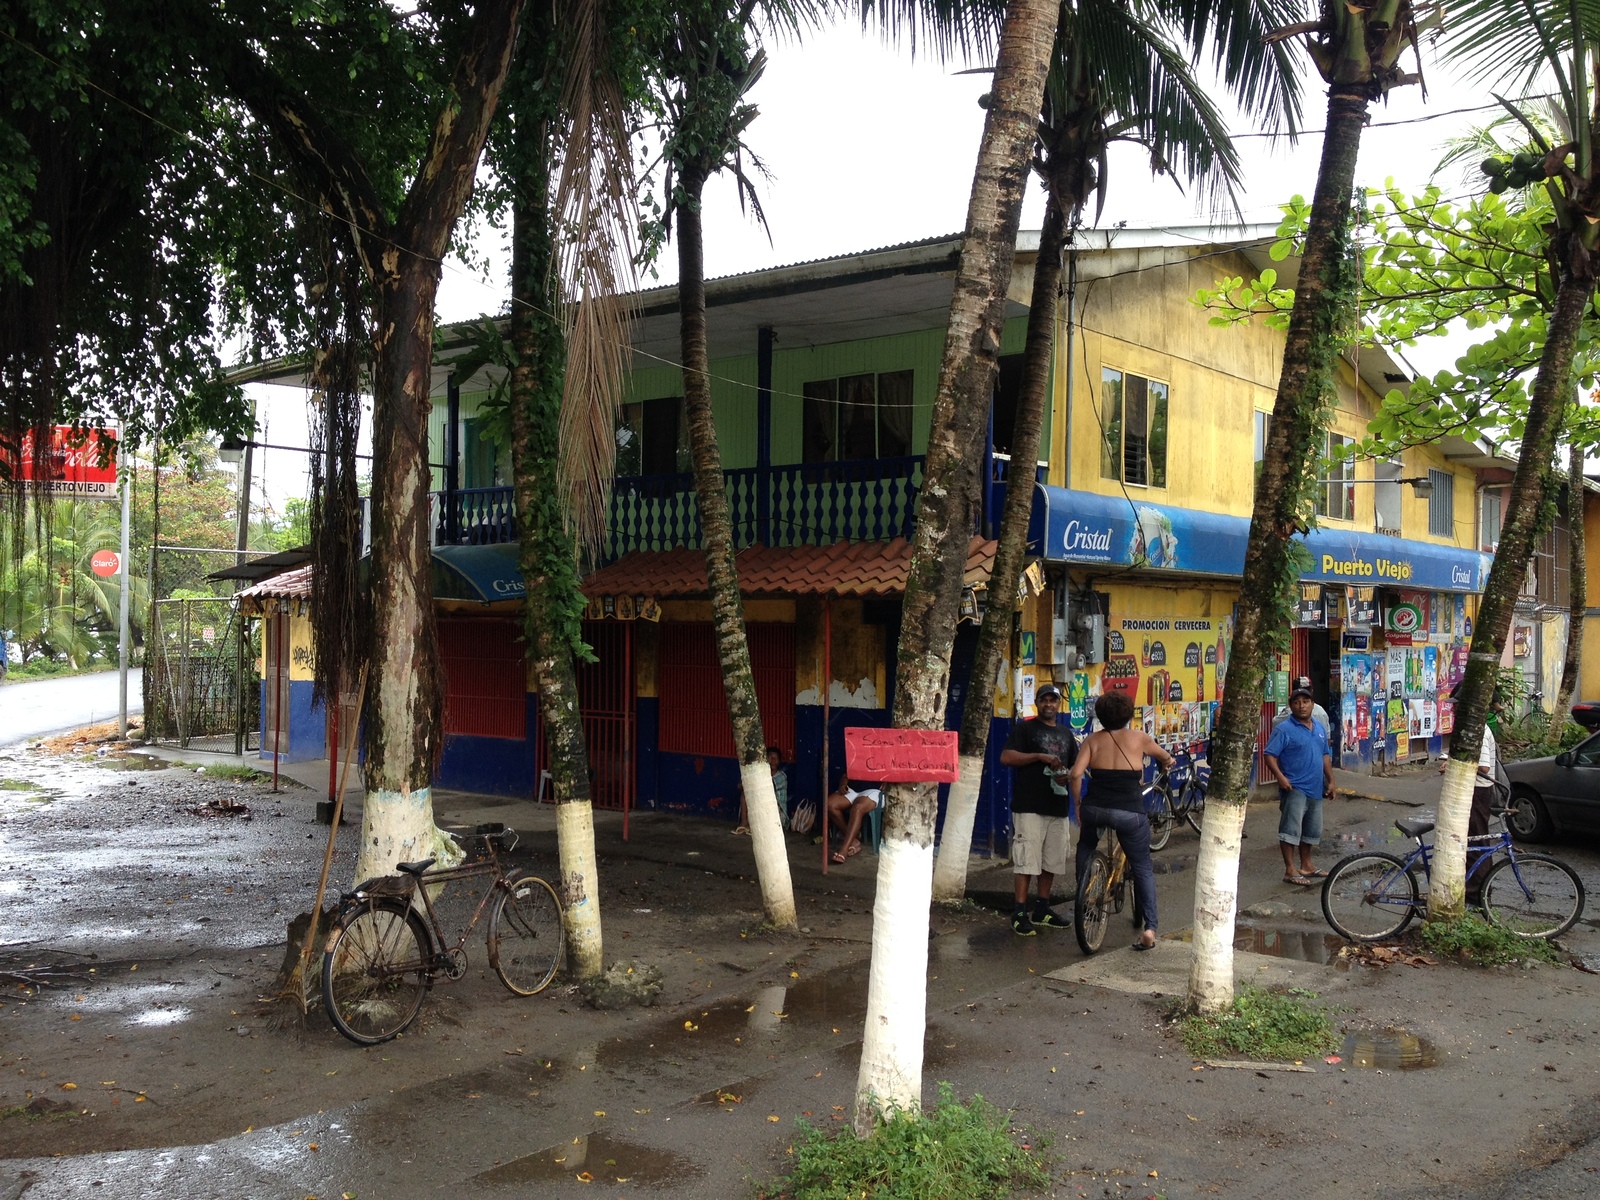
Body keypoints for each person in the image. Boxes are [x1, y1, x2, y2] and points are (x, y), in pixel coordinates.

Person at [1067, 690, 1173, 951]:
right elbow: (1164, 757)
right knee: (1142, 867)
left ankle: (1086, 889)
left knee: (1086, 846)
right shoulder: (1140, 738)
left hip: (1095, 808)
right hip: (1129, 813)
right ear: (1128, 714)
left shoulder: (1092, 740)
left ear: (1100, 715)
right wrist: (1167, 762)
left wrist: (1079, 804)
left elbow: (1076, 774)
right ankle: (1150, 929)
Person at [1000, 683, 1079, 935]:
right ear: (1037, 702)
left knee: (1051, 861)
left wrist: (1069, 780)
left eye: (1053, 700)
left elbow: (1075, 769)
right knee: (1026, 860)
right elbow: (1006, 757)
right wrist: (1038, 757)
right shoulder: (1024, 729)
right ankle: (1019, 912)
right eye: (1044, 700)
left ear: (1058, 704)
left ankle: (1042, 909)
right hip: (1029, 807)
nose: (1049, 704)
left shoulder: (1067, 735)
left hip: (1057, 807)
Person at [1263, 687, 1334, 886]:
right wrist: (1281, 778)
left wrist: (1331, 781)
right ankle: (1290, 869)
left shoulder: (1319, 727)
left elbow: (1325, 755)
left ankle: (1307, 865)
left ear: (1313, 704)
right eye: (1297, 702)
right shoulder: (1284, 729)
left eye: (1305, 701)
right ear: (1291, 705)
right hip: (1294, 788)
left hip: (1315, 787)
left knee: (1311, 829)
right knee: (1290, 830)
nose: (1301, 706)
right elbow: (1269, 755)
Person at [734, 745, 790, 835]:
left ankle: (754, 827)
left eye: (776, 758)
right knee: (745, 793)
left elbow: (765, 787)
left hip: (776, 815)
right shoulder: (759, 774)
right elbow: (739, 786)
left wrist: (751, 781)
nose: (773, 761)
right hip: (761, 812)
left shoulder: (781, 776)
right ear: (765, 759)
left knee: (761, 794)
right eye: (771, 758)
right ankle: (744, 823)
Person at [825, 777, 882, 863]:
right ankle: (854, 840)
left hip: (874, 790)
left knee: (857, 808)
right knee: (829, 804)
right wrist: (843, 784)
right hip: (853, 789)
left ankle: (844, 849)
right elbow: (846, 774)